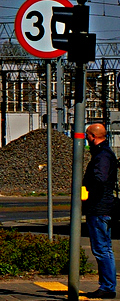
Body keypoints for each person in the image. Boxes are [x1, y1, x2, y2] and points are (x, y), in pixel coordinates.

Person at [83, 123, 118, 299]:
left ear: (92, 136)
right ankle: (108, 285)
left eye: (87, 135)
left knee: (101, 249)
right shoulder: (105, 153)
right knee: (106, 248)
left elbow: (100, 179)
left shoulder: (102, 156)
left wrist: (88, 194)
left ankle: (107, 287)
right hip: (103, 207)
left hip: (99, 208)